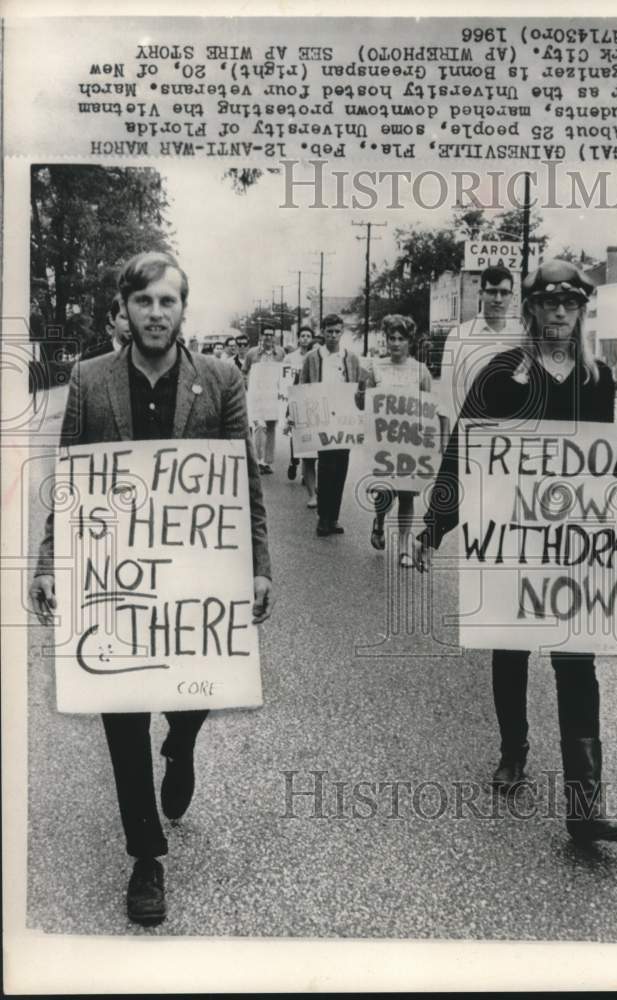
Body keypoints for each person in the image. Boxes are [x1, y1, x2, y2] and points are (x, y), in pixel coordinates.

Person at [28, 251, 275, 925]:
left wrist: (258, 564)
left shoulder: (221, 379)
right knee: (122, 707)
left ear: (183, 309)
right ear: (125, 309)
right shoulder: (89, 379)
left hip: (197, 577)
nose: (157, 314)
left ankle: (183, 738)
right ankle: (146, 856)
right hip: (116, 577)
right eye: (144, 302)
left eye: (168, 302)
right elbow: (71, 479)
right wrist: (51, 561)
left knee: (191, 694)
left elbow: (242, 482)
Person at [414, 259, 617, 844]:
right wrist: (434, 526)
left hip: (572, 541)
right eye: (548, 303)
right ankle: (514, 749)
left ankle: (585, 802)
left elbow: (600, 459)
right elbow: (463, 450)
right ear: (531, 311)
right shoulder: (503, 373)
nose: (558, 313)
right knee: (512, 649)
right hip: (511, 538)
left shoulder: (597, 377)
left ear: (580, 312)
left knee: (579, 661)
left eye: (569, 304)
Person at [366, 315, 432, 567]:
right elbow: (366, 403)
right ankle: (379, 521)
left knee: (406, 495)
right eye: (391, 338)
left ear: (409, 341)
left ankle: (404, 546)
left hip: (410, 440)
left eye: (400, 339)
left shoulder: (420, 370)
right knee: (385, 491)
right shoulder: (376, 367)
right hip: (383, 440)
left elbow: (429, 407)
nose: (395, 343)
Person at [437, 264, 525, 446]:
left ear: (512, 296)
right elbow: (448, 397)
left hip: (513, 439)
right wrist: (449, 446)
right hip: (472, 436)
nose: (498, 299)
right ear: (481, 294)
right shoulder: (459, 336)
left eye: (504, 292)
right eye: (492, 292)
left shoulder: (522, 336)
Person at [300, 313, 366, 537]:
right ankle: (323, 517)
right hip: (322, 417)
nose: (333, 336)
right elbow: (303, 386)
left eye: (337, 331)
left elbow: (359, 388)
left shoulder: (352, 359)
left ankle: (334, 517)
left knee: (341, 468)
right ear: (323, 332)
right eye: (329, 332)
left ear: (342, 332)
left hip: (345, 420)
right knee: (326, 467)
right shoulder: (312, 357)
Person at [244, 327, 285, 474]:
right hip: (257, 396)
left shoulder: (280, 353)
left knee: (271, 428)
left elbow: (285, 374)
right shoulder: (252, 353)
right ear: (261, 336)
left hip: (273, 396)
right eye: (266, 335)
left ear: (274, 337)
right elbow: (244, 371)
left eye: (271, 335)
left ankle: (267, 462)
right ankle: (258, 460)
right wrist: (248, 387)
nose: (268, 337)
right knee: (259, 427)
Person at [285, 326, 318, 504]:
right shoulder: (292, 359)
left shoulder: (320, 360)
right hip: (300, 404)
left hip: (317, 408)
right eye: (303, 336)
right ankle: (294, 461)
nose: (305, 339)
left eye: (308, 336)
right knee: (298, 440)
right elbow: (289, 384)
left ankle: (310, 477)